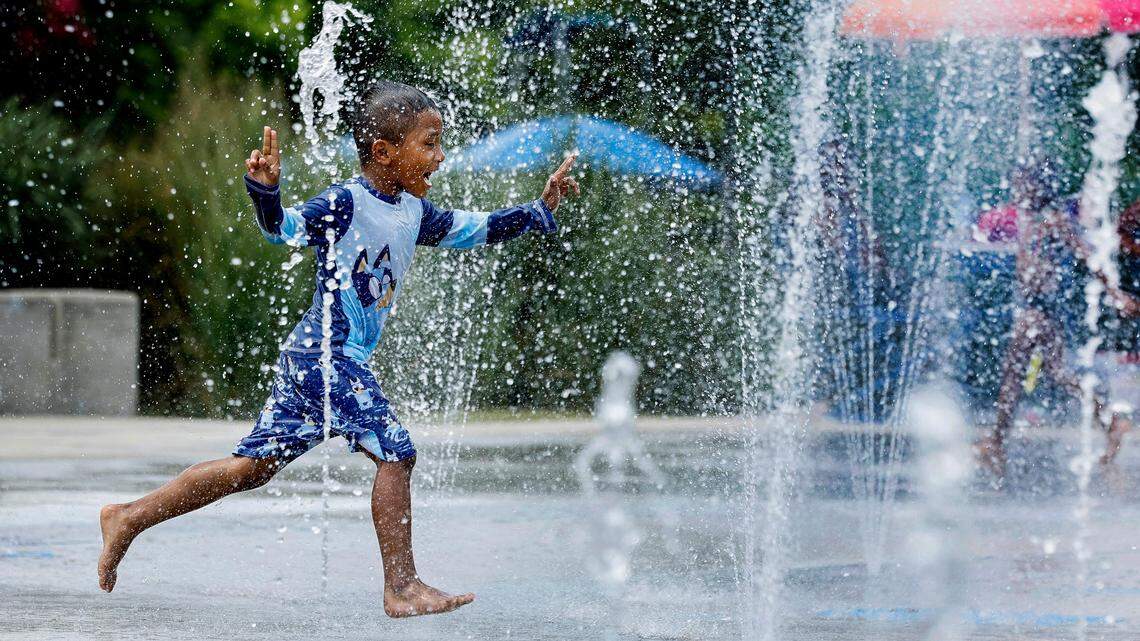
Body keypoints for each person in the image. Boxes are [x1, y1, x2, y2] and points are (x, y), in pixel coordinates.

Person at [97, 80, 580, 617]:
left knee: (249, 469)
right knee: (396, 451)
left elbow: (476, 228)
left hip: (315, 360)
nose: (440, 158)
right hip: (327, 356)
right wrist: (266, 193)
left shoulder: (414, 211)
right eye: (429, 144)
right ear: (384, 152)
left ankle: (130, 516)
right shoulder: (346, 202)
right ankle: (401, 586)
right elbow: (286, 231)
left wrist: (537, 210)